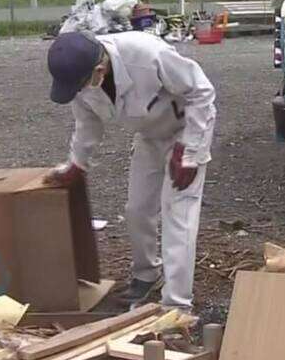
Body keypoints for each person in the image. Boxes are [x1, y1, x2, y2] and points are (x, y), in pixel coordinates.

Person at [44, 30, 216, 310]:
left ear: (100, 70)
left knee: (178, 218)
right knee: (137, 210)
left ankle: (177, 306)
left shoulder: (147, 54)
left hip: (185, 133)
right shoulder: (81, 80)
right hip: (149, 136)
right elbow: (87, 123)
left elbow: (201, 91)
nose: (81, 92)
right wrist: (77, 163)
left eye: (84, 84)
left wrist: (191, 151)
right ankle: (146, 275)